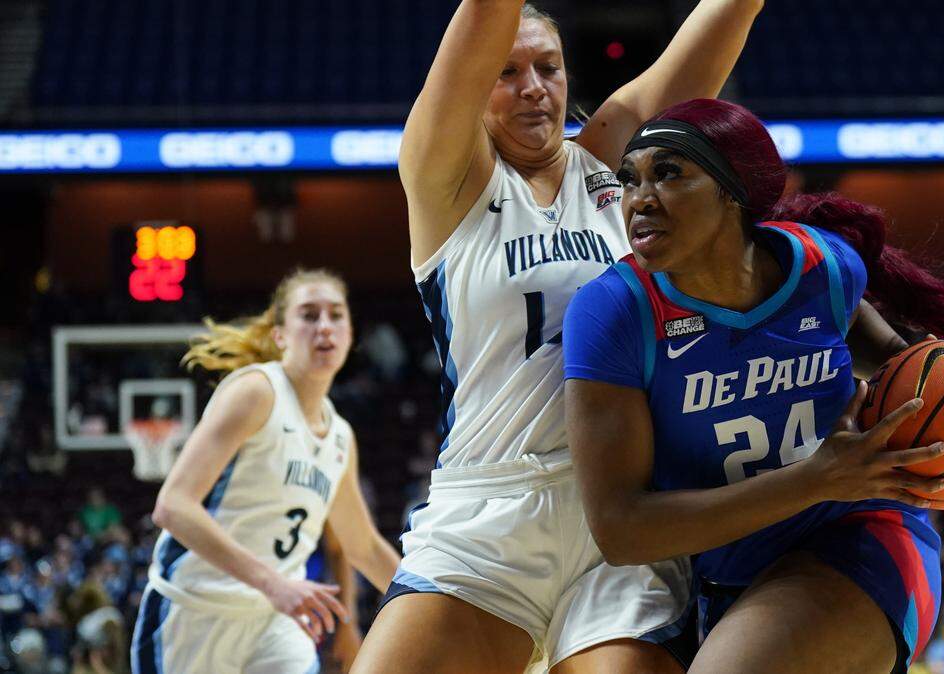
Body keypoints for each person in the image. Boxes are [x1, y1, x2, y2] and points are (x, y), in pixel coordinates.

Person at [562, 98, 944, 674]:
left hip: (859, 537)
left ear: (732, 191)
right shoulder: (613, 310)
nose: (639, 200)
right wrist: (813, 478)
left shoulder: (821, 267)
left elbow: (904, 371)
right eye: (629, 180)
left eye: (669, 173)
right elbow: (621, 531)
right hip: (728, 571)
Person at [353, 3, 767, 673]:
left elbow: (718, 28)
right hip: (488, 514)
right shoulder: (446, 179)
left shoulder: (610, 158)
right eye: (506, 72)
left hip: (623, 513)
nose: (533, 87)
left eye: (549, 68)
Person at [131, 269, 400, 674]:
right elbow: (172, 506)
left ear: (350, 333)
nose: (324, 326)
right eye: (308, 315)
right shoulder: (257, 392)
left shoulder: (340, 434)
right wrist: (274, 584)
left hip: (275, 621)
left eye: (336, 315)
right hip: (194, 614)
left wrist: (435, 600)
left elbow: (362, 545)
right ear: (279, 335)